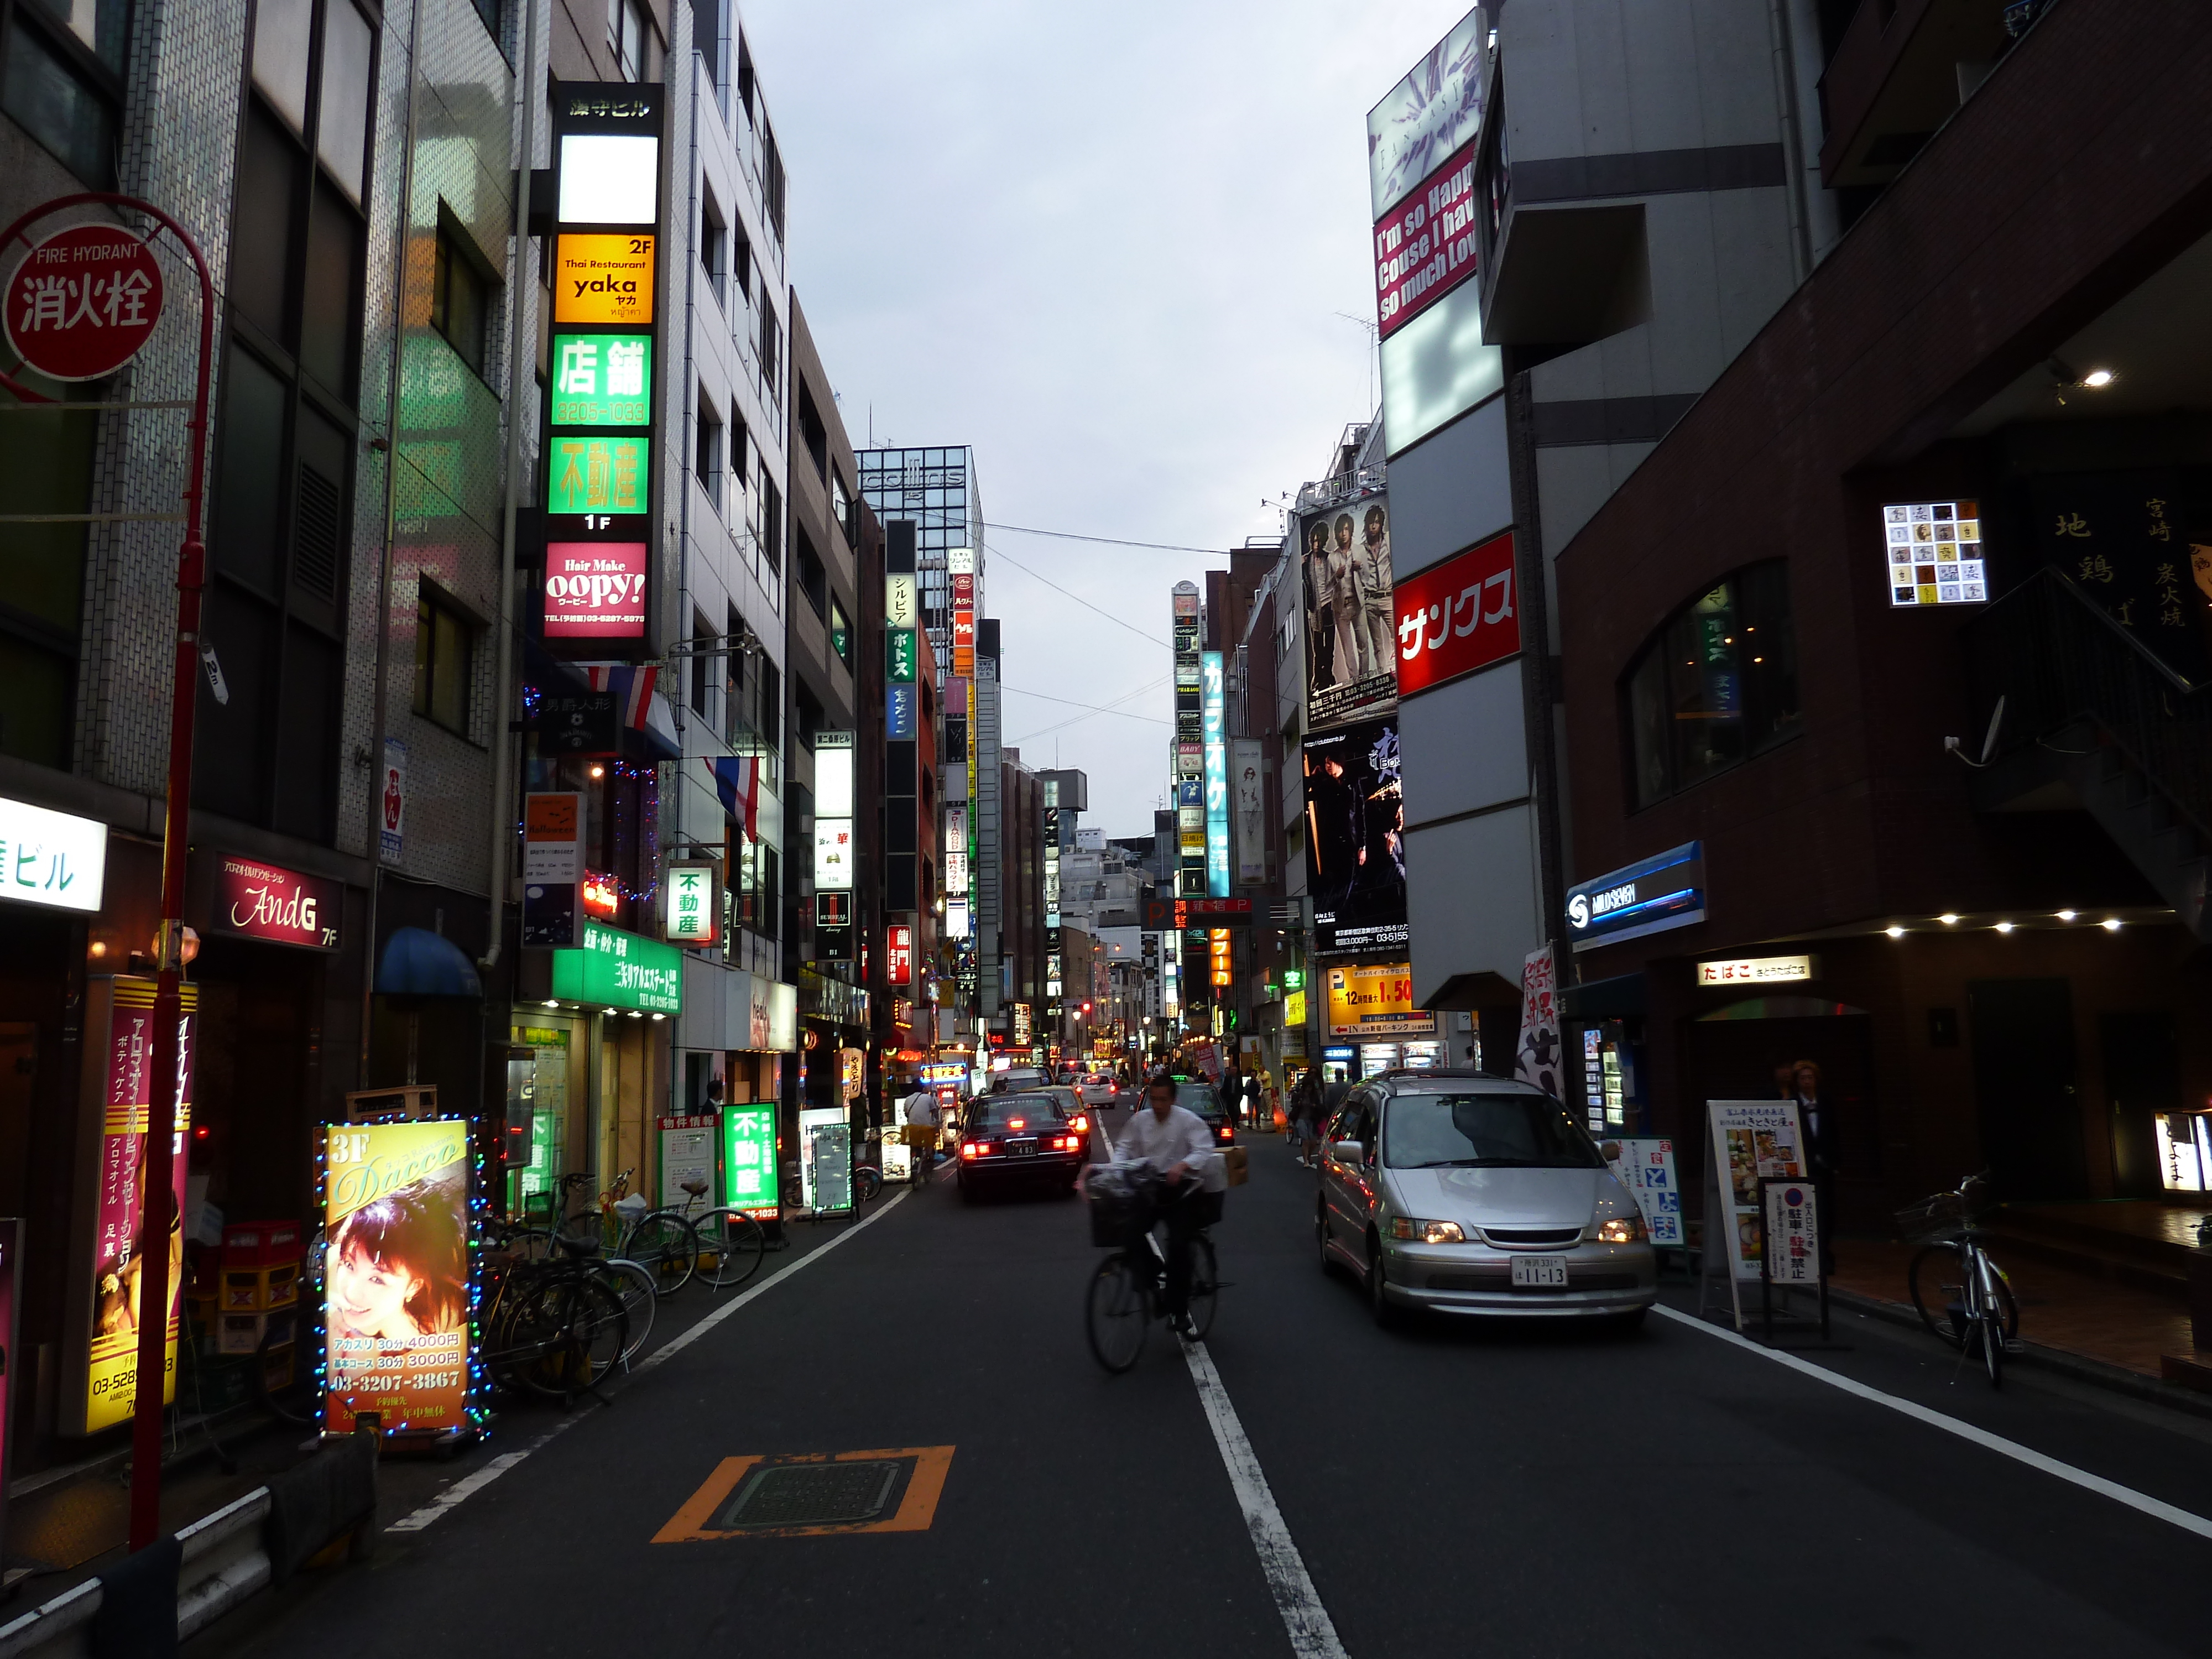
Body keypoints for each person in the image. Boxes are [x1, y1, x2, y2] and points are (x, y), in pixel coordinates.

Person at [1113, 1072, 1219, 1339]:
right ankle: (1153, 1276)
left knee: (1179, 1243)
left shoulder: (1188, 1121)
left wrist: (1183, 1165)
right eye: (1154, 1100)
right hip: (1151, 1187)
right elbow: (1124, 1147)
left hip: (1183, 1189)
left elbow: (1204, 1149)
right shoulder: (1140, 1121)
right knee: (1128, 1233)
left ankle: (1180, 1311)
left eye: (1163, 1100)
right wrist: (1116, 1170)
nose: (1158, 1105)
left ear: (1173, 1099)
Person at [327, 1180, 466, 1342]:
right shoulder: (334, 1263)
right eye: (349, 1265)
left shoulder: (432, 1329)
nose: (352, 1293)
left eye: (377, 1280)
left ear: (414, 1287)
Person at [902, 1080, 940, 1182]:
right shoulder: (927, 1098)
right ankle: (929, 1159)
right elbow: (934, 1110)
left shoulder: (908, 1099)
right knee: (929, 1147)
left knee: (915, 1147)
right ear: (922, 1088)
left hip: (912, 1129)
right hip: (926, 1129)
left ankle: (914, 1161)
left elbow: (906, 1113)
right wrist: (936, 1120)